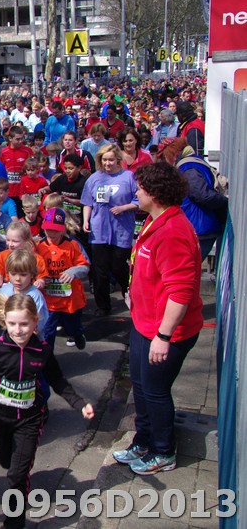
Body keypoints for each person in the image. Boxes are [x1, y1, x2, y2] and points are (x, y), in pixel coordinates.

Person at [0, 294, 94, 529]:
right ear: (5, 322)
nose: (18, 330)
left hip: (31, 419)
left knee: (17, 474)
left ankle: (14, 520)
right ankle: (18, 475)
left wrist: (79, 403)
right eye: (12, 324)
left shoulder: (42, 350)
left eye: (24, 324)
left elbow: (58, 380)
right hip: (1, 419)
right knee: (5, 461)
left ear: (35, 322)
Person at [114, 161, 203, 476]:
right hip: (144, 324)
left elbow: (181, 291)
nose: (135, 193)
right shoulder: (155, 220)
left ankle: (163, 451)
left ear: (154, 193)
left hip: (165, 332)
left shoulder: (173, 231)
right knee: (140, 386)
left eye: (139, 189)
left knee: (155, 391)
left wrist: (164, 336)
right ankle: (143, 441)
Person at [81, 144, 138, 317]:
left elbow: (139, 200)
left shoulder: (129, 177)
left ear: (118, 160)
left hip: (121, 230)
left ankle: (131, 298)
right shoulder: (94, 178)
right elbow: (87, 202)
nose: (107, 163)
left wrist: (124, 208)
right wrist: (86, 220)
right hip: (99, 230)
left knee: (119, 266)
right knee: (100, 270)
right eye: (104, 160)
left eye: (111, 160)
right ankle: (103, 305)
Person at [154, 138, 228, 260]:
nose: (163, 162)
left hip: (199, 229)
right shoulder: (192, 163)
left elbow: (203, 195)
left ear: (171, 153)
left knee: (186, 267)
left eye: (164, 157)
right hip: (199, 227)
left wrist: (225, 202)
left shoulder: (188, 168)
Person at [36, 208, 90, 348]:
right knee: (47, 333)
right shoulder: (39, 247)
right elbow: (33, 268)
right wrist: (40, 278)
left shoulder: (72, 245)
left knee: (73, 327)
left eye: (55, 230)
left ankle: (78, 335)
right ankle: (48, 358)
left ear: (62, 229)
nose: (51, 233)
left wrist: (73, 272)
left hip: (69, 300)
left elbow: (85, 266)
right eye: (48, 229)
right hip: (49, 301)